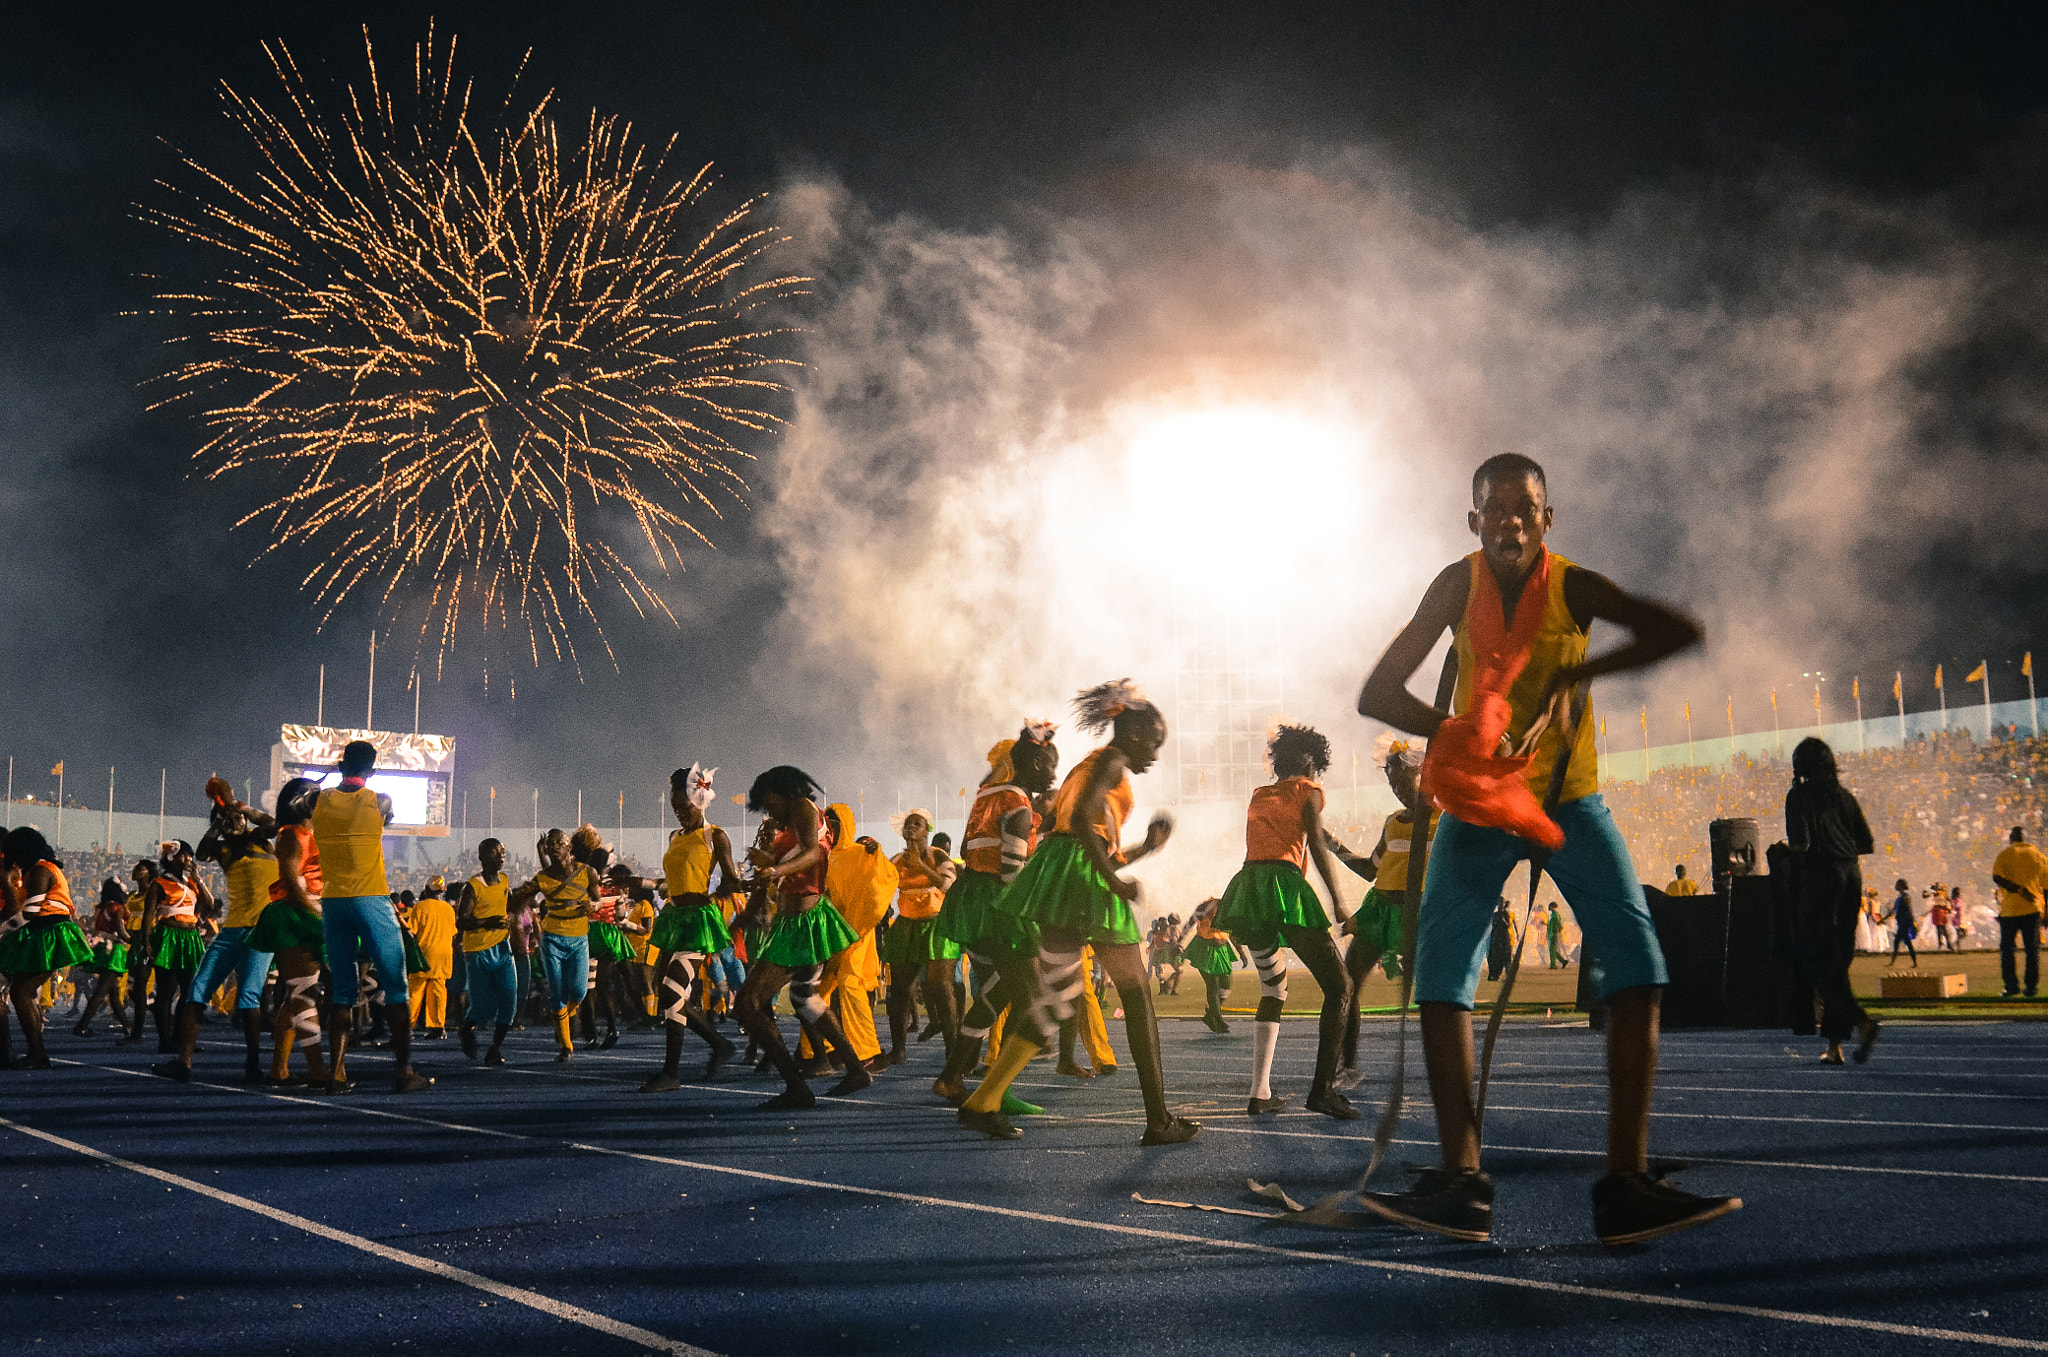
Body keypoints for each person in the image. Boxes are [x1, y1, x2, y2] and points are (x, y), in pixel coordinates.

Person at [1354, 451, 1736, 1246]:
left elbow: (1678, 628)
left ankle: (1625, 1185)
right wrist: (1451, 729)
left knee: (1637, 967)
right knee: (1439, 977)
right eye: (1493, 509)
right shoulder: (1454, 584)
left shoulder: (1573, 586)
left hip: (1569, 799)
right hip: (1480, 805)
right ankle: (1462, 1181)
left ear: (1547, 519)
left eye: (1524, 508)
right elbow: (1377, 692)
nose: (1509, 521)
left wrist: (1574, 679)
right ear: (1473, 522)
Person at [958, 680, 1198, 1146]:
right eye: (1154, 742)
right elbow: (1087, 828)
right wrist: (1113, 882)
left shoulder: (1086, 766)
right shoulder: (1113, 761)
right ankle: (1159, 1121)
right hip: (1083, 877)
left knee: (1058, 998)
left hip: (1060, 875)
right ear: (1130, 733)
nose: (1154, 753)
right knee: (1136, 994)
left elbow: (1065, 829)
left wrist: (1144, 849)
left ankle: (983, 1100)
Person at [1212, 723, 1358, 1119]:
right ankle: (1322, 1091)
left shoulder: (1261, 794)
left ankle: (1260, 1093)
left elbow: (1299, 831)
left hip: (1248, 888)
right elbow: (1315, 842)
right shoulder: (1308, 791)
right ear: (1311, 760)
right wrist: (1339, 903)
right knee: (1341, 987)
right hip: (1283, 887)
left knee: (1274, 988)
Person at [932, 724, 1061, 1106]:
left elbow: (972, 846)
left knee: (998, 990)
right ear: (1035, 762)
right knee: (1032, 999)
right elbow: (1011, 874)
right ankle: (995, 1092)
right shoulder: (1020, 808)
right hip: (999, 904)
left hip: (973, 899)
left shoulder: (988, 794)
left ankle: (954, 1077)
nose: (1054, 775)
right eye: (1052, 766)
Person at [732, 765, 871, 1109]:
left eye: (768, 803)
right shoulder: (787, 822)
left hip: (802, 924)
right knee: (805, 999)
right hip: (795, 922)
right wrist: (749, 909)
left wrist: (775, 867)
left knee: (748, 1004)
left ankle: (797, 1087)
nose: (769, 812)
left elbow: (813, 853)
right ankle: (855, 1070)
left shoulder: (803, 809)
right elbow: (787, 871)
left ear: (782, 792)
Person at [310, 740, 433, 1094]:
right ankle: (404, 1072)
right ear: (373, 769)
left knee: (342, 992)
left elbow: (301, 798)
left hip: (333, 902)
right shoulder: (380, 800)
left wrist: (331, 773)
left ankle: (336, 1074)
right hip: (371, 899)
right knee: (395, 985)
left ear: (341, 763)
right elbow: (386, 818)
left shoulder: (317, 800)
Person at [158, 785, 281, 1082]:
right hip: (240, 930)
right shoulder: (224, 848)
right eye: (229, 821)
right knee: (203, 992)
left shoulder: (259, 838)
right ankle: (185, 1063)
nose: (236, 822)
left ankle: (251, 1064)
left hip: (253, 931)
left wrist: (243, 809)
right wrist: (219, 820)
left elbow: (272, 824)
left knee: (246, 997)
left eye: (239, 819)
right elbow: (201, 852)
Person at [636, 765, 740, 1092]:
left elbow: (732, 880)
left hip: (698, 921)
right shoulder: (675, 837)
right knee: (673, 996)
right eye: (675, 808)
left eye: (685, 807)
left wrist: (749, 882)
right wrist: (638, 881)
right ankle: (672, 1072)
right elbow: (670, 882)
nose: (679, 813)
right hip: (674, 917)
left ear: (702, 799)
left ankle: (717, 1045)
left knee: (670, 990)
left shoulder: (716, 836)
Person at [1784, 738, 1880, 1065]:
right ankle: (1835, 1047)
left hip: (1821, 880)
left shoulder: (1798, 797)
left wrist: (1786, 851)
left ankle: (1862, 1020)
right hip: (1851, 876)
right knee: (1837, 962)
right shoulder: (1844, 798)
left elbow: (1801, 845)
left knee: (1814, 960)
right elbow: (1865, 843)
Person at [248, 777, 329, 1086]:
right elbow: (292, 882)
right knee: (305, 994)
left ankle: (279, 1069)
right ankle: (318, 1070)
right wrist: (316, 915)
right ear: (303, 802)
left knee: (296, 995)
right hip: (297, 914)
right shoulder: (291, 836)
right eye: (317, 797)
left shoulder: (311, 833)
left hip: (311, 910)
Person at [0, 826, 94, 1068]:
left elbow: (30, 911)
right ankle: (35, 1051)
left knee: (21, 991)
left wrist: (2, 929)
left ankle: (37, 1053)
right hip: (43, 931)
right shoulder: (37, 868)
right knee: (23, 991)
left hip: (50, 932)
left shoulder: (42, 869)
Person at [513, 828, 601, 1062]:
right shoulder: (542, 879)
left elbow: (597, 899)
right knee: (558, 992)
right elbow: (518, 899)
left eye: (557, 842)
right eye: (549, 844)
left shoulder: (588, 872)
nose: (553, 847)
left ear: (568, 846)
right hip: (552, 939)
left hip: (579, 938)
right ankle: (566, 1045)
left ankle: (560, 1017)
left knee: (579, 991)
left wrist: (593, 906)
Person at [883, 809, 961, 1065]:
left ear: (927, 830)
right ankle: (898, 1050)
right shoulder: (895, 860)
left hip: (936, 925)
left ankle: (953, 1051)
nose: (911, 827)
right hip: (907, 926)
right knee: (900, 992)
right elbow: (881, 882)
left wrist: (921, 866)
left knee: (941, 988)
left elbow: (948, 885)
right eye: (907, 824)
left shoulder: (939, 856)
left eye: (917, 824)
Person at [141, 841, 213, 1055]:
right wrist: (146, 943)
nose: (189, 860)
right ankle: (164, 1040)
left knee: (190, 991)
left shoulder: (192, 883)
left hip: (190, 937)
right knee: (166, 991)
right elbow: (148, 915)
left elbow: (208, 904)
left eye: (190, 856)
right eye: (184, 856)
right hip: (168, 936)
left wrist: (199, 879)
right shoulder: (159, 883)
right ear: (172, 858)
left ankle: (180, 1038)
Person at [454, 839, 519, 1065]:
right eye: (494, 853)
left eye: (502, 852)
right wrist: (486, 922)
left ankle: (494, 1048)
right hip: (478, 951)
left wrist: (512, 915)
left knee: (509, 999)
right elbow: (461, 920)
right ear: (482, 857)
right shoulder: (473, 885)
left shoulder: (505, 882)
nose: (501, 856)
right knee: (483, 1006)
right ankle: (466, 1028)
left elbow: (510, 907)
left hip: (502, 949)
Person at [71, 881, 133, 1036]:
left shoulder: (100, 908)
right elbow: (120, 930)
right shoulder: (118, 909)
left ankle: (127, 1025)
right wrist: (135, 940)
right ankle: (82, 1025)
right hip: (114, 951)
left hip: (102, 950)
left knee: (113, 993)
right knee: (101, 991)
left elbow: (94, 928)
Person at [1992, 827, 2046, 998]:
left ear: (2011, 839)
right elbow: (2046, 888)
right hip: (2033, 909)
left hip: (2010, 910)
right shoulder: (2039, 856)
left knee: (2007, 949)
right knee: (2032, 950)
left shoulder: (2005, 854)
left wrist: (2017, 889)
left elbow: (1997, 877)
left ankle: (2011, 987)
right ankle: (2031, 988)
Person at [405, 876, 456, 1041]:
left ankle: (408, 1027)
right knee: (439, 993)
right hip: (444, 956)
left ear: (427, 890)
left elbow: (411, 932)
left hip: (424, 955)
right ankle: (438, 1027)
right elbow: (453, 933)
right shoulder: (449, 909)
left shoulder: (420, 907)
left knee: (415, 992)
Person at [1884, 879, 1919, 968]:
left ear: (1901, 886)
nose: (1896, 886)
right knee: (1906, 942)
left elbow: (1909, 910)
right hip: (1901, 922)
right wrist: (1883, 919)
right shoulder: (1900, 898)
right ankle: (1914, 962)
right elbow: (1893, 911)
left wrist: (1914, 922)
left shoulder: (1905, 897)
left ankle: (1893, 962)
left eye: (1898, 884)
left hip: (1905, 922)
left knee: (1898, 941)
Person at [1485, 898, 1514, 983]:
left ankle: (1507, 975)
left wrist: (1501, 918)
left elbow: (1508, 925)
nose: (1500, 905)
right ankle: (1494, 974)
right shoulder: (1494, 915)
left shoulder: (1505, 914)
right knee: (1494, 958)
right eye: (1499, 903)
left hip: (1503, 938)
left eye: (1501, 903)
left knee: (1505, 957)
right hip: (1495, 938)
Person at [1545, 902, 1568, 969]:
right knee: (1552, 950)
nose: (1548, 908)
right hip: (1551, 934)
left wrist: (1557, 935)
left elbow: (1559, 925)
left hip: (1554, 934)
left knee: (1552, 950)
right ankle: (1563, 961)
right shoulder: (1552, 915)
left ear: (1552, 907)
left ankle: (1553, 965)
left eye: (1549, 906)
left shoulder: (1555, 915)